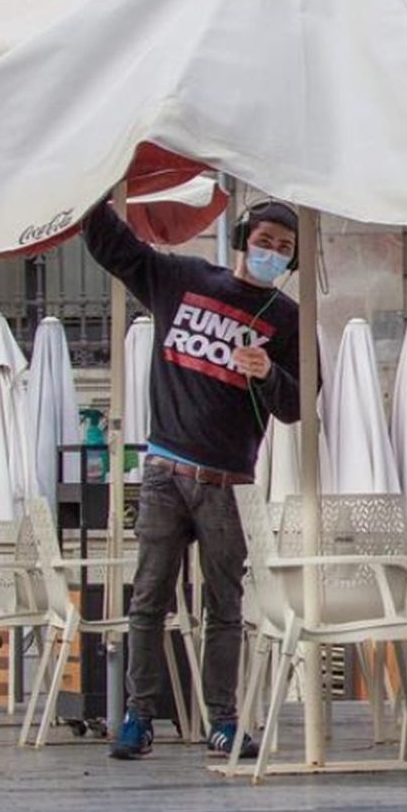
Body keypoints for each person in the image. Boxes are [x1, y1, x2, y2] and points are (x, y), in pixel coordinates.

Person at [81, 197, 306, 761]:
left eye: (283, 249)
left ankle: (224, 722)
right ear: (242, 238)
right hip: (163, 470)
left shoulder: (287, 319)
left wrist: (268, 374)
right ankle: (137, 717)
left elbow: (300, 405)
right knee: (149, 598)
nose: (271, 253)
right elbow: (115, 248)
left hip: (228, 482)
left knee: (225, 606)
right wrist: (94, 181)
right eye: (265, 241)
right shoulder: (182, 279)